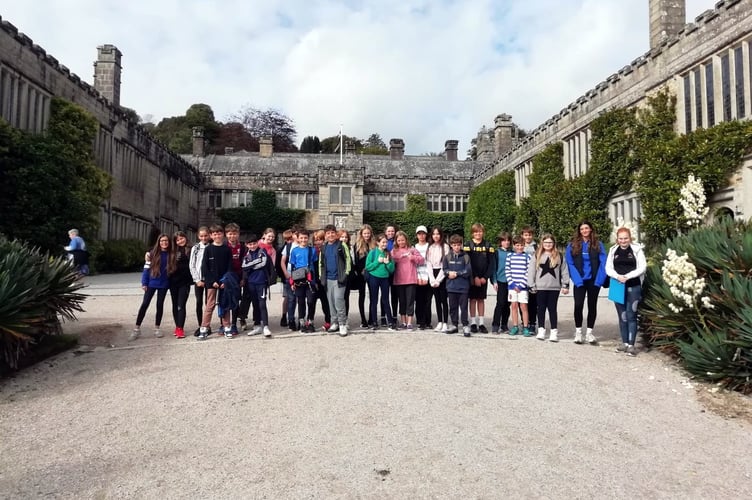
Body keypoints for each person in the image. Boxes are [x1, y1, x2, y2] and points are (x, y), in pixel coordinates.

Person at [605, 227, 647, 356]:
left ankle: (631, 344)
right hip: (618, 285)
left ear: (630, 238)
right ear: (617, 239)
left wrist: (628, 276)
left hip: (633, 286)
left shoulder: (637, 250)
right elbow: (608, 267)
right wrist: (618, 276)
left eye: (626, 238)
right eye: (621, 238)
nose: (623, 241)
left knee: (631, 315)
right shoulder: (613, 250)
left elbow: (642, 267)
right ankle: (624, 343)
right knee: (622, 316)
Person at [565, 220, 608, 344]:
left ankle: (589, 333)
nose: (584, 230)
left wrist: (599, 281)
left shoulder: (598, 244)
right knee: (578, 305)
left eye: (586, 228)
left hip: (594, 281)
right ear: (579, 231)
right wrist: (577, 280)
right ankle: (578, 332)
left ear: (590, 230)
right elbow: (570, 263)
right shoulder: (572, 245)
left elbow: (603, 263)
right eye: (582, 229)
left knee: (592, 305)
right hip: (580, 281)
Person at [131, 234, 173, 341]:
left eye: (166, 241)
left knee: (160, 305)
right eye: (162, 241)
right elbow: (146, 269)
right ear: (158, 242)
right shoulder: (151, 254)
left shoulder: (171, 254)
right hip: (152, 282)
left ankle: (157, 328)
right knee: (145, 304)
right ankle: (136, 328)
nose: (164, 243)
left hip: (164, 283)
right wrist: (144, 282)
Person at [528, 233, 569, 342]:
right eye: (546, 242)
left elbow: (564, 271)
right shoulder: (537, 255)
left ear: (554, 243)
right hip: (540, 287)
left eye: (550, 242)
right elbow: (531, 270)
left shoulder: (559, 255)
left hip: (554, 288)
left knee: (552, 309)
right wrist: (531, 284)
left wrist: (565, 284)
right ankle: (541, 329)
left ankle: (554, 331)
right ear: (542, 243)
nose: (548, 244)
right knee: (540, 309)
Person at [199, 224, 234, 339]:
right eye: (214, 234)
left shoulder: (227, 249)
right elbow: (205, 267)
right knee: (210, 305)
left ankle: (226, 326)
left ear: (222, 235)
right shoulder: (208, 249)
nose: (217, 236)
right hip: (211, 283)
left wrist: (225, 280)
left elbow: (229, 267)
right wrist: (212, 281)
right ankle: (204, 327)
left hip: (224, 282)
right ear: (211, 236)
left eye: (219, 233)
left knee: (225, 305)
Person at [319, 225, 351, 336]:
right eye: (328, 233)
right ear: (325, 235)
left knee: (339, 300)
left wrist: (345, 274)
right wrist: (321, 276)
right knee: (331, 302)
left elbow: (348, 260)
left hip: (339, 278)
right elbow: (321, 263)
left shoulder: (341, 245)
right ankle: (334, 322)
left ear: (336, 234)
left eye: (332, 232)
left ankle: (342, 323)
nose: (330, 235)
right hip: (328, 279)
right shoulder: (324, 247)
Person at [464, 223, 496, 333]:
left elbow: (491, 263)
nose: (478, 233)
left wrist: (485, 277)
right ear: (472, 233)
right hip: (472, 278)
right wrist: (474, 277)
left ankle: (481, 323)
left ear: (483, 232)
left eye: (480, 231)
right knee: (472, 300)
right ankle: (473, 322)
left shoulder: (488, 245)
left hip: (483, 278)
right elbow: (468, 263)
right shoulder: (468, 245)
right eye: (476, 232)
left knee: (481, 300)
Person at [391, 230, 424, 330]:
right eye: (399, 240)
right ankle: (403, 322)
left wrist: (412, 257)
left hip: (410, 279)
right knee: (402, 301)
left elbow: (422, 260)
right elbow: (390, 261)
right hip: (399, 280)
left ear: (406, 240)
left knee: (410, 301)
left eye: (403, 240)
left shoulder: (412, 249)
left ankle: (409, 322)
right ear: (396, 241)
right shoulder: (394, 251)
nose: (401, 242)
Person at [242, 233, 272, 338]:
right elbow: (244, 266)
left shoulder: (262, 251)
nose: (252, 246)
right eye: (250, 244)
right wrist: (254, 263)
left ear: (257, 243)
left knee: (262, 304)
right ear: (247, 245)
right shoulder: (246, 255)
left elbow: (263, 263)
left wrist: (251, 266)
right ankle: (257, 325)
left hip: (261, 282)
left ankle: (266, 326)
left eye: (254, 243)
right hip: (251, 283)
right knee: (255, 305)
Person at [443, 234, 472, 336]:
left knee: (463, 307)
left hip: (463, 287)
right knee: (453, 307)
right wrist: (448, 273)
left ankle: (465, 325)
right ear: (451, 245)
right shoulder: (447, 257)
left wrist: (457, 274)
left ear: (461, 245)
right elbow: (445, 270)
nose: (456, 247)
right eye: (454, 245)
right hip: (451, 287)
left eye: (458, 245)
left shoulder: (465, 256)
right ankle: (454, 325)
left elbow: (468, 271)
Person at [364, 234, 395, 330]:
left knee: (385, 300)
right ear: (378, 243)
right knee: (374, 300)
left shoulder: (388, 253)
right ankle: (374, 322)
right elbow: (368, 267)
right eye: (383, 242)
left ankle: (390, 321)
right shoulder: (372, 253)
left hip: (384, 278)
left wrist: (387, 263)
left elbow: (392, 269)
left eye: (386, 242)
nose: (385, 244)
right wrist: (377, 262)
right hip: (374, 278)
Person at [289, 230, 318, 332]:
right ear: (297, 238)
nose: (303, 240)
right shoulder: (294, 251)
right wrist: (291, 282)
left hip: (310, 279)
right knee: (301, 302)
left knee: (311, 301)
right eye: (301, 238)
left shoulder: (312, 250)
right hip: (298, 279)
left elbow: (315, 265)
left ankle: (310, 321)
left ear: (308, 238)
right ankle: (301, 321)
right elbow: (292, 267)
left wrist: (316, 280)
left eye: (305, 238)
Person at [505, 236, 532, 336]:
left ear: (524, 246)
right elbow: (507, 270)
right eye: (517, 245)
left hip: (523, 287)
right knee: (514, 306)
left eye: (521, 245)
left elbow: (528, 272)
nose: (519, 247)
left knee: (524, 307)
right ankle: (515, 326)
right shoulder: (509, 256)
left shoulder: (527, 257)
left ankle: (525, 327)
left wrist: (521, 285)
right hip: (512, 287)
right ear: (514, 246)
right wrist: (512, 284)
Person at [169, 231, 193, 339]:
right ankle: (177, 325)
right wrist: (148, 253)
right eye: (178, 240)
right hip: (173, 281)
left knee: (181, 305)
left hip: (185, 281)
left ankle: (180, 328)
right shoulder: (172, 251)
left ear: (185, 238)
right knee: (174, 304)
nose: (180, 241)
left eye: (182, 238)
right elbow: (159, 249)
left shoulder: (191, 249)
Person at [224, 222, 246, 335]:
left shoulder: (242, 247)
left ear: (238, 234)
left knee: (236, 300)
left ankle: (234, 324)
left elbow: (245, 263)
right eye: (230, 234)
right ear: (226, 235)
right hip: (227, 277)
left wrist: (243, 278)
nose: (232, 236)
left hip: (238, 277)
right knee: (225, 300)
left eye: (234, 234)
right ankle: (225, 324)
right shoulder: (223, 246)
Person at [427, 226, 450, 333]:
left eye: (438, 234)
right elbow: (428, 264)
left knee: (443, 300)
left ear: (441, 235)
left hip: (442, 275)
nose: (436, 236)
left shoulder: (445, 247)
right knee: (436, 300)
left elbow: (445, 264)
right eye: (434, 234)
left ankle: (445, 322)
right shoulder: (430, 247)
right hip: (433, 274)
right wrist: (432, 279)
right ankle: (440, 321)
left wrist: (438, 280)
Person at [352, 224, 376, 328]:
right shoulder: (356, 246)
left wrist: (369, 268)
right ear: (361, 234)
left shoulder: (374, 245)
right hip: (361, 274)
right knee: (362, 296)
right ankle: (363, 319)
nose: (367, 235)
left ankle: (372, 318)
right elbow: (356, 262)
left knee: (373, 296)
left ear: (371, 234)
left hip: (372, 273)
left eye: (368, 233)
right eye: (365, 233)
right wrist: (360, 270)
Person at [189, 227, 211, 337]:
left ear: (209, 235)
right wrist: (197, 280)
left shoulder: (212, 247)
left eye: (206, 235)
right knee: (199, 302)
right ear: (198, 236)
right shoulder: (196, 248)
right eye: (201, 236)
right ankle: (200, 325)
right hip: (198, 280)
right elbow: (192, 265)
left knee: (209, 304)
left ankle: (207, 325)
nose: (204, 238)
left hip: (209, 280)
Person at [490, 232, 512, 334]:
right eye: (504, 240)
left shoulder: (513, 252)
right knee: (500, 303)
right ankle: (495, 325)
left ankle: (504, 325)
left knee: (508, 304)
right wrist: (494, 281)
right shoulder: (497, 253)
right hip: (501, 280)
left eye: (508, 240)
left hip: (511, 281)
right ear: (500, 242)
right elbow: (494, 268)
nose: (506, 242)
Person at [311, 229, 332, 331]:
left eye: (320, 239)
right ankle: (310, 321)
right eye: (316, 240)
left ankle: (328, 321)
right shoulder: (312, 251)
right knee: (311, 302)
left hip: (324, 280)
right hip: (314, 280)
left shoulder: (327, 250)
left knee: (325, 302)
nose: (318, 242)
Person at [279, 228, 299, 331]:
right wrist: (286, 273)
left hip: (302, 276)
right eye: (295, 234)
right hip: (290, 275)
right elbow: (282, 261)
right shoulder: (288, 246)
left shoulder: (305, 246)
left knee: (300, 299)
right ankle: (291, 320)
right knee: (291, 299)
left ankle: (301, 320)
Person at [413, 225, 432, 330]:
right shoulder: (414, 247)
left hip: (428, 276)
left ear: (426, 234)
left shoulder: (430, 246)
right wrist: (418, 277)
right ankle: (420, 321)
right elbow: (413, 264)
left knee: (428, 300)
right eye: (419, 233)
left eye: (423, 233)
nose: (421, 235)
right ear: (417, 235)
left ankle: (428, 321)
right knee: (419, 300)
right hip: (418, 277)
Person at [521, 226, 538, 332]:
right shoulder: (518, 246)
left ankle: (532, 323)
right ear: (522, 236)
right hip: (521, 277)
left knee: (533, 302)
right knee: (522, 302)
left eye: (530, 235)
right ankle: (524, 323)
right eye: (526, 235)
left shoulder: (537, 247)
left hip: (533, 278)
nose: (528, 237)